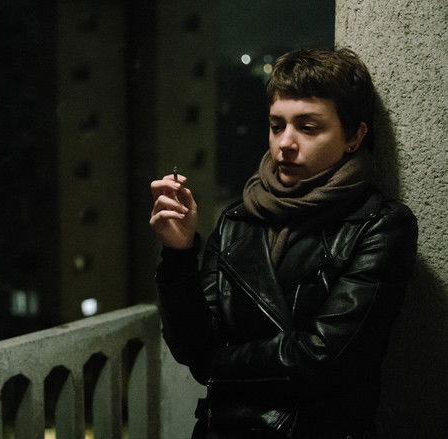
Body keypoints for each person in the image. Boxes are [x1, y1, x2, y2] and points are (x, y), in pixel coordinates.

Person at [149, 48, 417, 438]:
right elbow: (191, 346)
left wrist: (214, 363)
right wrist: (178, 253)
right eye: (277, 126)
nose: (285, 143)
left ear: (354, 136)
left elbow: (322, 355)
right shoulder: (239, 218)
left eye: (308, 127)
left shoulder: (380, 225)